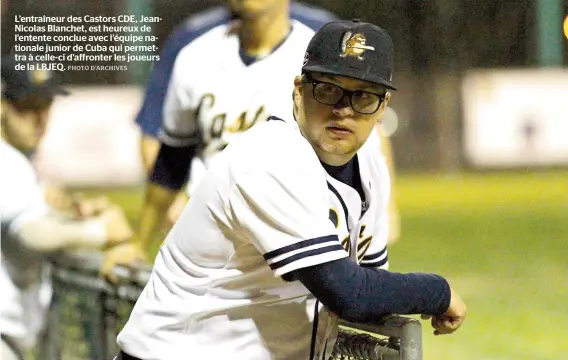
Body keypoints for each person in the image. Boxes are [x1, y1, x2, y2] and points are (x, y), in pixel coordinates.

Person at [114, 20, 466, 360]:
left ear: (383, 106)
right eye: (328, 90)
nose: (344, 109)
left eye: (363, 96)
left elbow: (372, 284)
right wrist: (437, 291)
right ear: (299, 91)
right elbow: (349, 293)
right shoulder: (269, 158)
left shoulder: (370, 166)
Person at [101, 0, 339, 273]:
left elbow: (355, 149)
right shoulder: (195, 55)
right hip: (209, 247)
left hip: (297, 241)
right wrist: (140, 243)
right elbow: (171, 160)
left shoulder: (322, 56)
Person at [0, 59, 133, 360]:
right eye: (27, 106)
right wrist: (100, 231)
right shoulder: (6, 161)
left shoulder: (15, 159)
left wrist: (67, 216)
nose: (39, 118)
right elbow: (32, 234)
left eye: (45, 105)